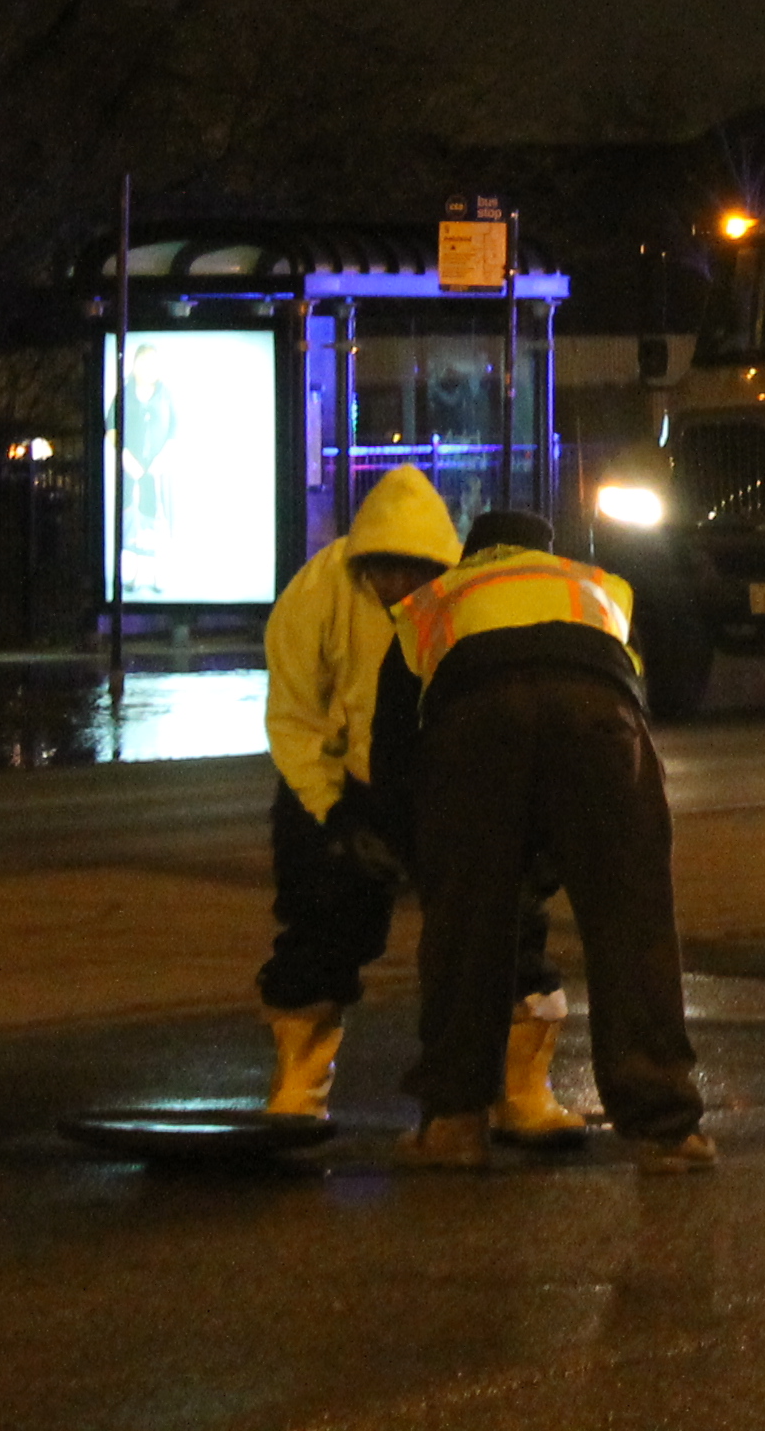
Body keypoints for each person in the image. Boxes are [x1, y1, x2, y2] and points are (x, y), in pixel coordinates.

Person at [374, 508, 709, 1171]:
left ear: (473, 555)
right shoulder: (599, 588)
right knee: (632, 922)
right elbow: (636, 696)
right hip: (599, 717)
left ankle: (453, 1124)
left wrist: (424, 863)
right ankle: (668, 1130)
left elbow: (392, 753)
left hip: (474, 721)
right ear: (549, 551)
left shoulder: (435, 602)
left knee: (464, 932)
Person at [253, 462, 464, 1118]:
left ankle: (517, 1090)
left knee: (497, 931)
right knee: (322, 924)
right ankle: (299, 1088)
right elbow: (294, 718)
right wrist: (334, 813)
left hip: (437, 782)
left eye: (413, 570)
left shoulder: (459, 600)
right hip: (341, 782)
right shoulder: (317, 593)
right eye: (385, 569)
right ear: (361, 560)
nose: (398, 584)